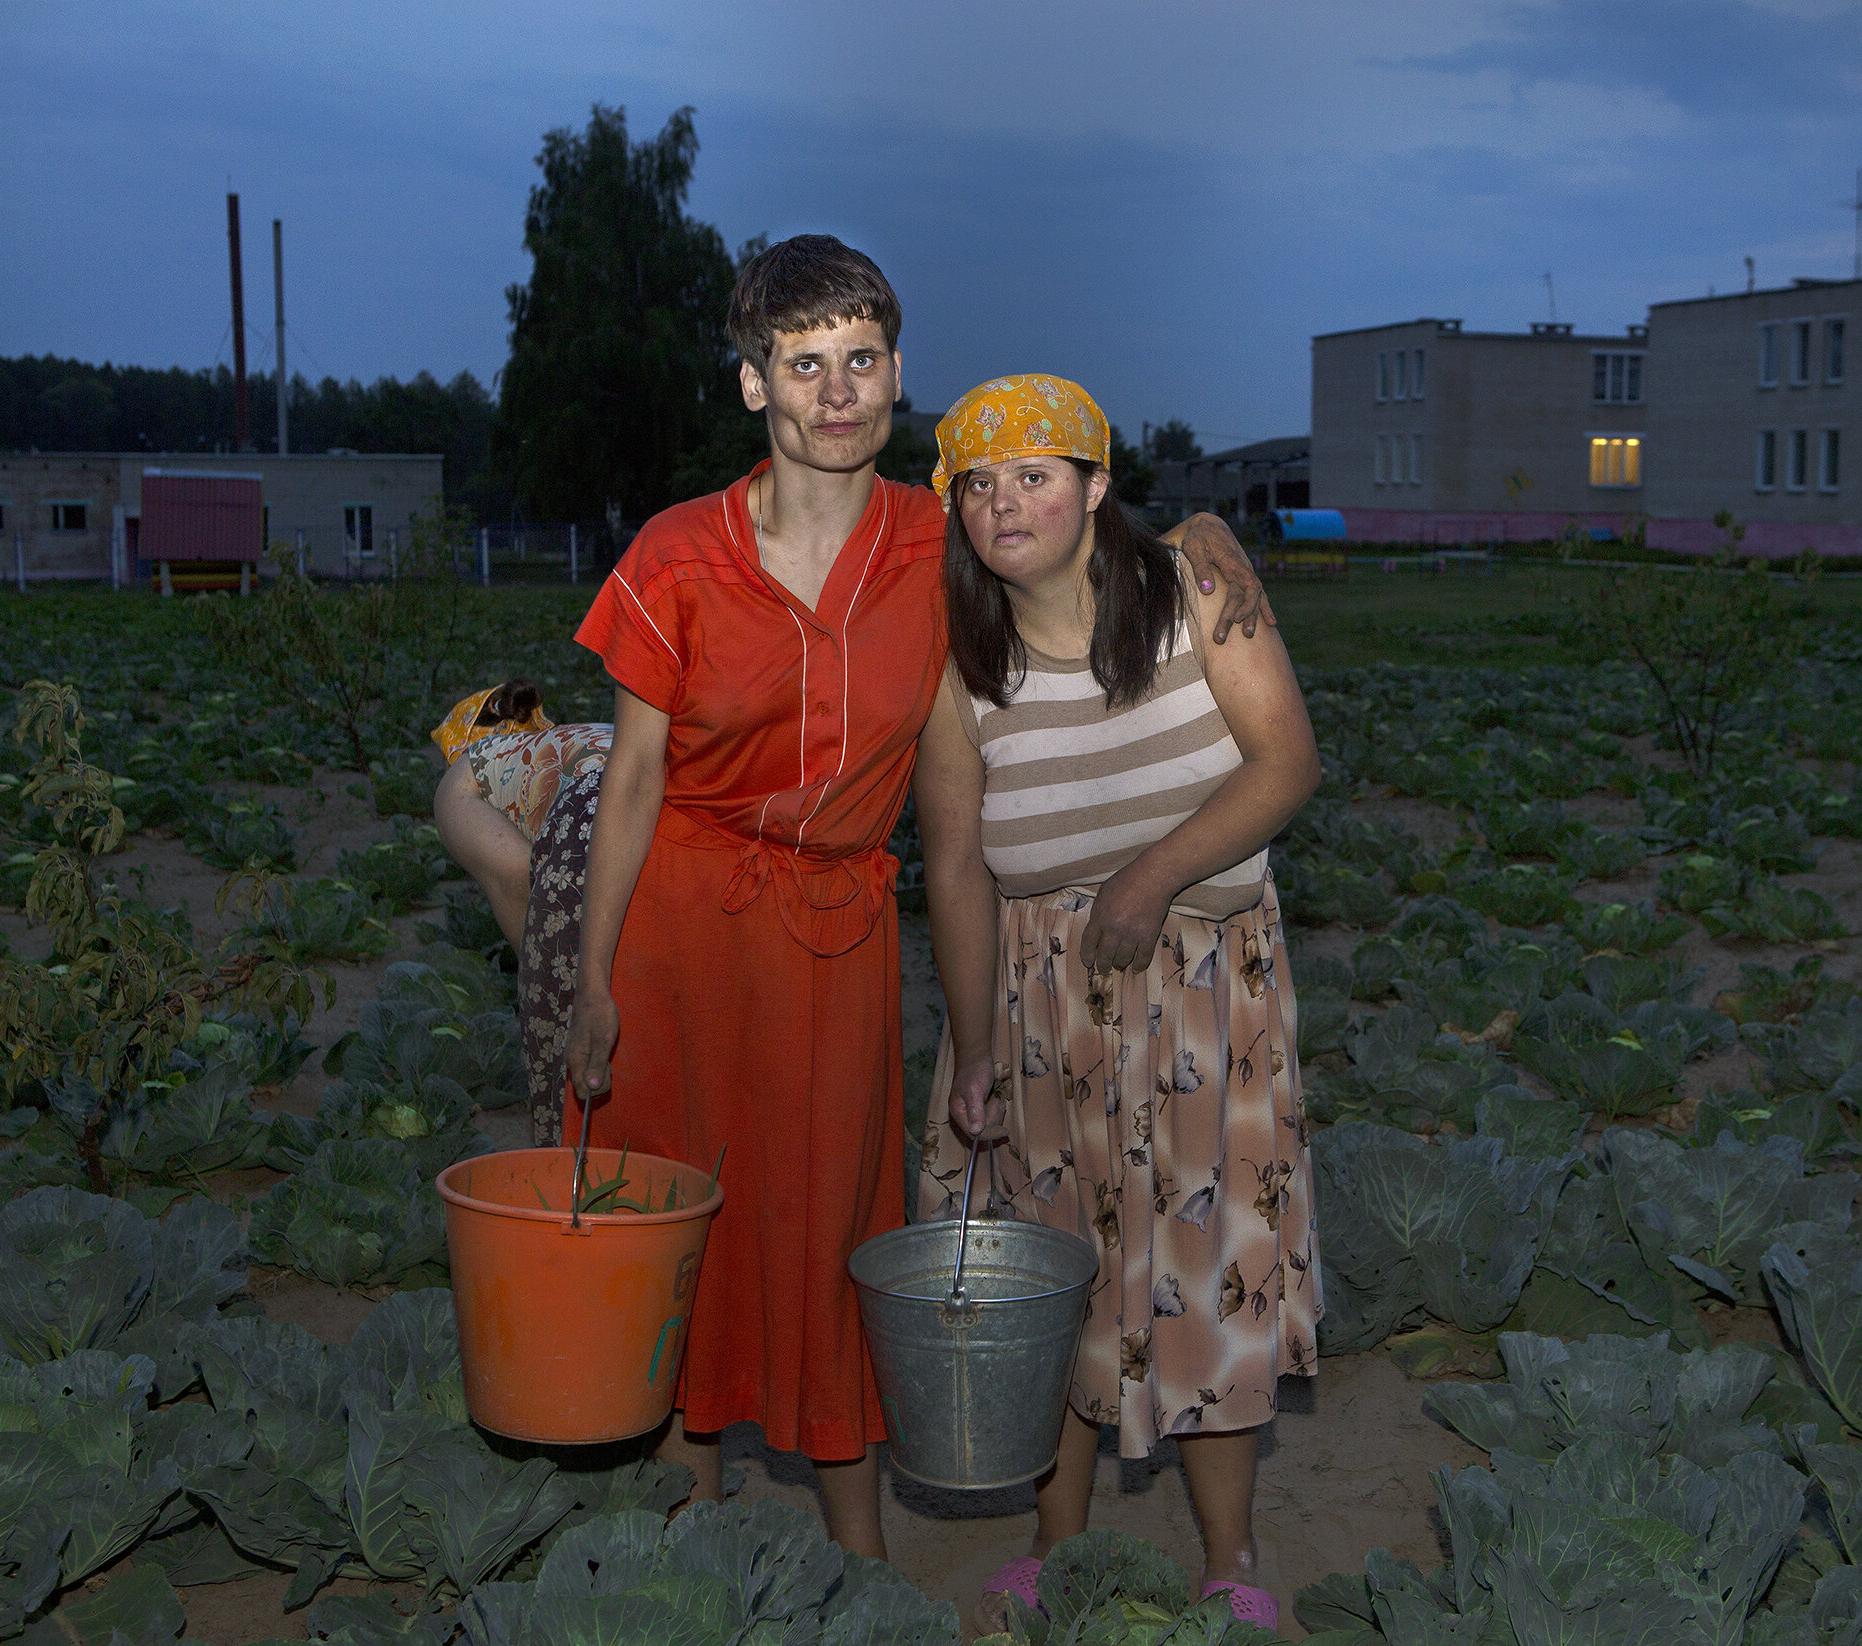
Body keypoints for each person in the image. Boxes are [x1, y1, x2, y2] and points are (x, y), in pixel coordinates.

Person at [555, 235, 1264, 1560]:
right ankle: (684, 1514)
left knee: (833, 1220)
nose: (836, 392)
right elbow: (636, 779)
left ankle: (858, 1547)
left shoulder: (940, 546)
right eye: (803, 364)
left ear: (895, 378)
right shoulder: (675, 552)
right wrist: (592, 978)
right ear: (754, 384)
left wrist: (1195, 547)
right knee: (678, 1211)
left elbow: (1070, 578)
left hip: (834, 923)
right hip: (676, 922)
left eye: (861, 361)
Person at [911, 375, 1323, 1629]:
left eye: (1035, 473)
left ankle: (1231, 1554)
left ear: (1095, 487)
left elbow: (1287, 761)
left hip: (1205, 984)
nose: (1004, 502)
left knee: (1212, 1267)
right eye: (978, 484)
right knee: (1056, 1272)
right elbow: (956, 867)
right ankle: (1056, 1540)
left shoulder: (1198, 578)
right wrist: (973, 1045)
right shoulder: (959, 660)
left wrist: (1148, 875)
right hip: (1042, 1009)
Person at [429, 679, 613, 953]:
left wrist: (536, 974)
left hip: (600, 817)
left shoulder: (464, 772)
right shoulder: (566, 737)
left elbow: (516, 878)